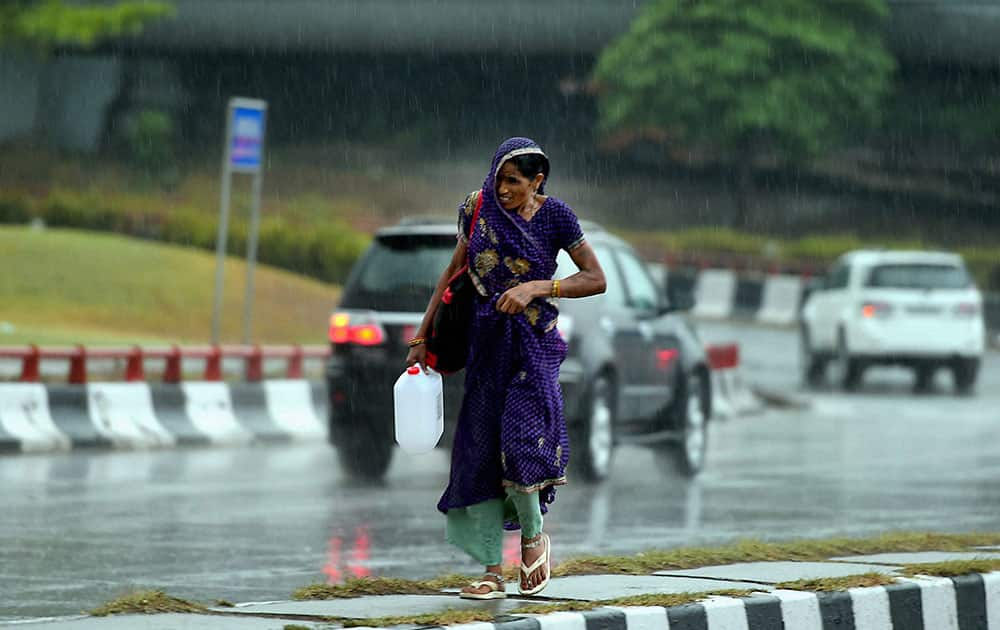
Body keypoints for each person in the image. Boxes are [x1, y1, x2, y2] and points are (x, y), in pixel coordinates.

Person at [405, 137, 606, 599]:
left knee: (518, 443)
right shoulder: (476, 208)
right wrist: (422, 336)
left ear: (537, 182)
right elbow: (452, 274)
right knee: (479, 453)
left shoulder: (557, 217)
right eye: (499, 178)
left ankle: (534, 535)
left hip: (533, 346)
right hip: (485, 347)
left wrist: (539, 287)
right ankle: (493, 572)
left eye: (514, 181)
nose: (503, 189)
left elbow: (596, 278)